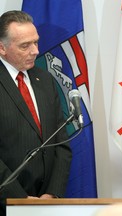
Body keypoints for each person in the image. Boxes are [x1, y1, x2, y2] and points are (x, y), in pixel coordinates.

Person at [0, 10, 72, 214]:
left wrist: (52, 194)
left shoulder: (46, 80)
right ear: (2, 48)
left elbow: (61, 142)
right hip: (7, 203)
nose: (35, 51)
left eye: (36, 42)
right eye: (25, 46)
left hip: (47, 204)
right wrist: (19, 198)